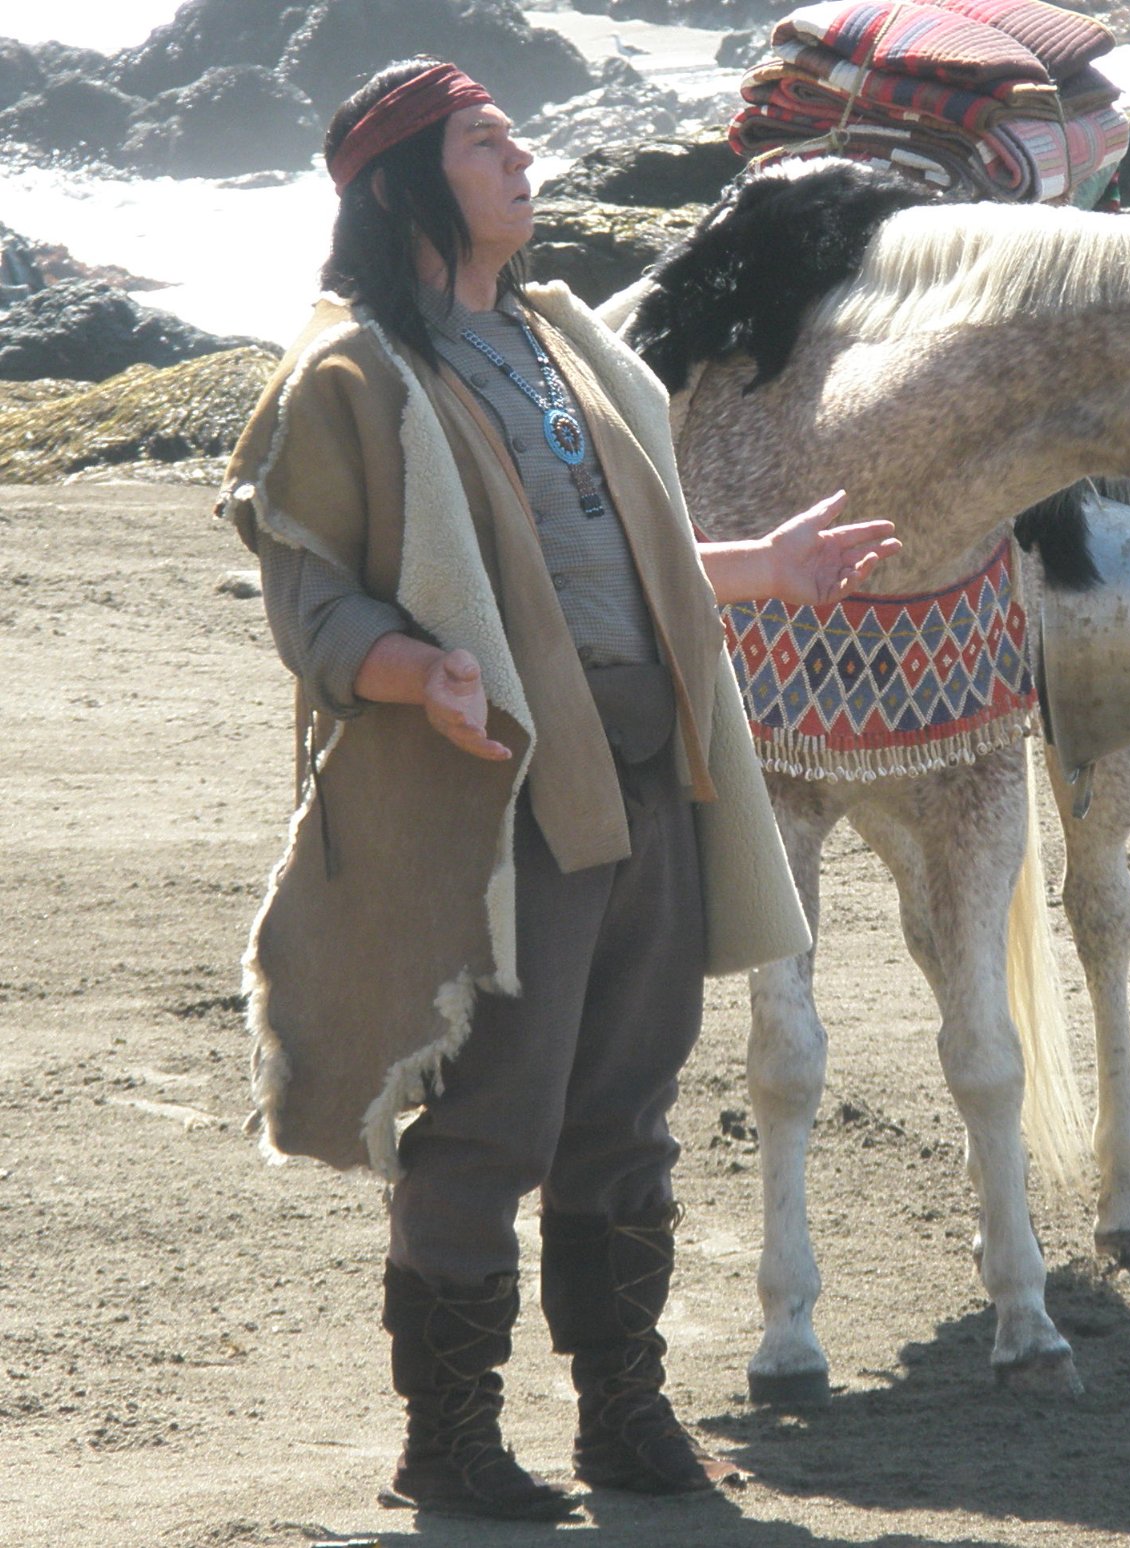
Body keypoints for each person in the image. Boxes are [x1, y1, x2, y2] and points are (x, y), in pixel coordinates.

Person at [219, 58, 898, 1523]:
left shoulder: (561, 339)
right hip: (492, 803)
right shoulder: (350, 371)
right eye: (483, 142)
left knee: (626, 1113)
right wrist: (420, 673)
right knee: (487, 1124)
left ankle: (624, 1420)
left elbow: (606, 562)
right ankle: (449, 1445)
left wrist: (760, 570)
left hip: (647, 779)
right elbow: (311, 600)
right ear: (406, 183)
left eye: (513, 135)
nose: (520, 156)